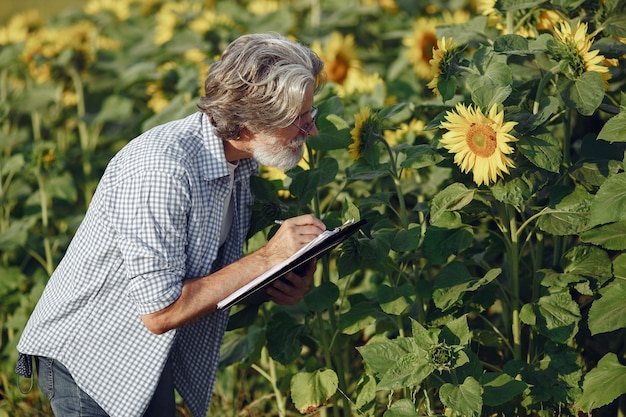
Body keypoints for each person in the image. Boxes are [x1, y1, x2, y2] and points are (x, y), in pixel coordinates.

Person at [15, 32, 327, 417]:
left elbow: (202, 283)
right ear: (248, 123)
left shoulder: (238, 163)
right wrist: (266, 258)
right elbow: (160, 310)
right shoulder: (163, 168)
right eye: (298, 120)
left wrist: (274, 282)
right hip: (92, 359)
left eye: (309, 115)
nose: (310, 130)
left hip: (140, 354)